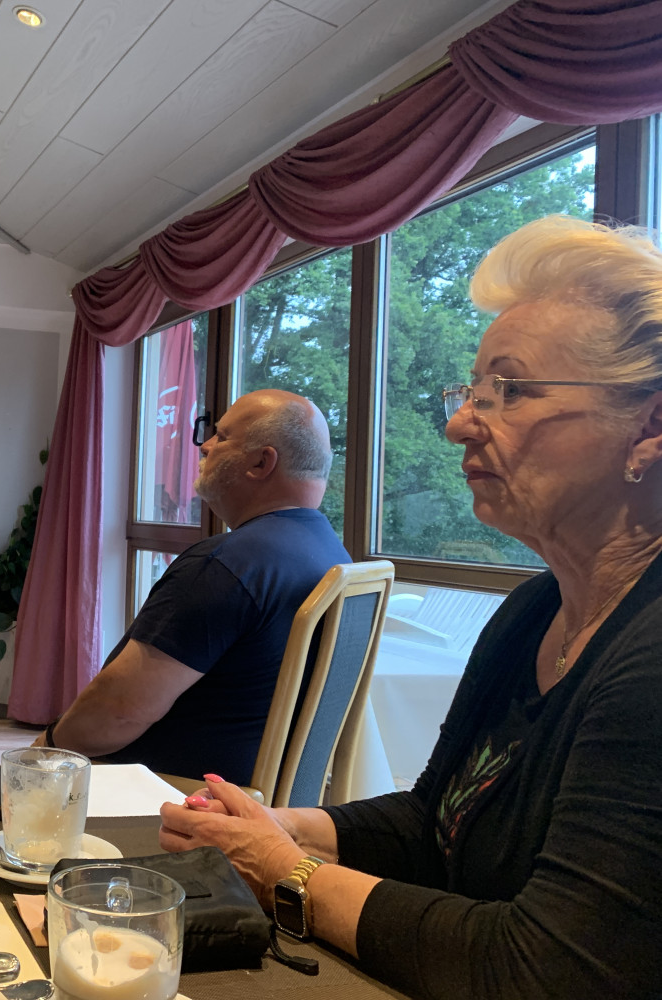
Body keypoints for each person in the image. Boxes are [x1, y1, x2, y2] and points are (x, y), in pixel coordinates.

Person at [158, 216, 662, 998]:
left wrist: (286, 871)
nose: (459, 423)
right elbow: (434, 822)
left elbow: (547, 969)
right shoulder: (532, 612)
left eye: (509, 391)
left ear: (649, 426)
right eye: (471, 392)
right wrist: (287, 827)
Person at [33, 389, 348, 780]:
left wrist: (45, 748)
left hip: (172, 796)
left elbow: (117, 713)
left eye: (222, 436)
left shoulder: (227, 566)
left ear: (261, 462)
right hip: (262, 798)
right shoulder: (332, 556)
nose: (206, 446)